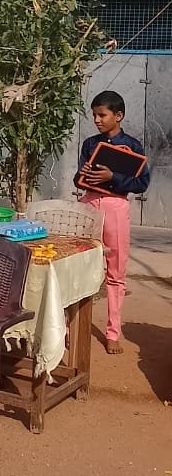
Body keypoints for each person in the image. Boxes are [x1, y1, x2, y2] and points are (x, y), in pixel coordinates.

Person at [74, 90, 150, 355]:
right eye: (94, 114)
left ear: (118, 116)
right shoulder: (90, 144)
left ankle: (112, 333)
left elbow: (142, 183)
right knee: (78, 266)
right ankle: (72, 327)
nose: (97, 119)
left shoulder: (134, 146)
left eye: (102, 115)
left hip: (116, 206)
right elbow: (78, 179)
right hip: (88, 205)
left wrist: (113, 175)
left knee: (116, 272)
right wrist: (81, 176)